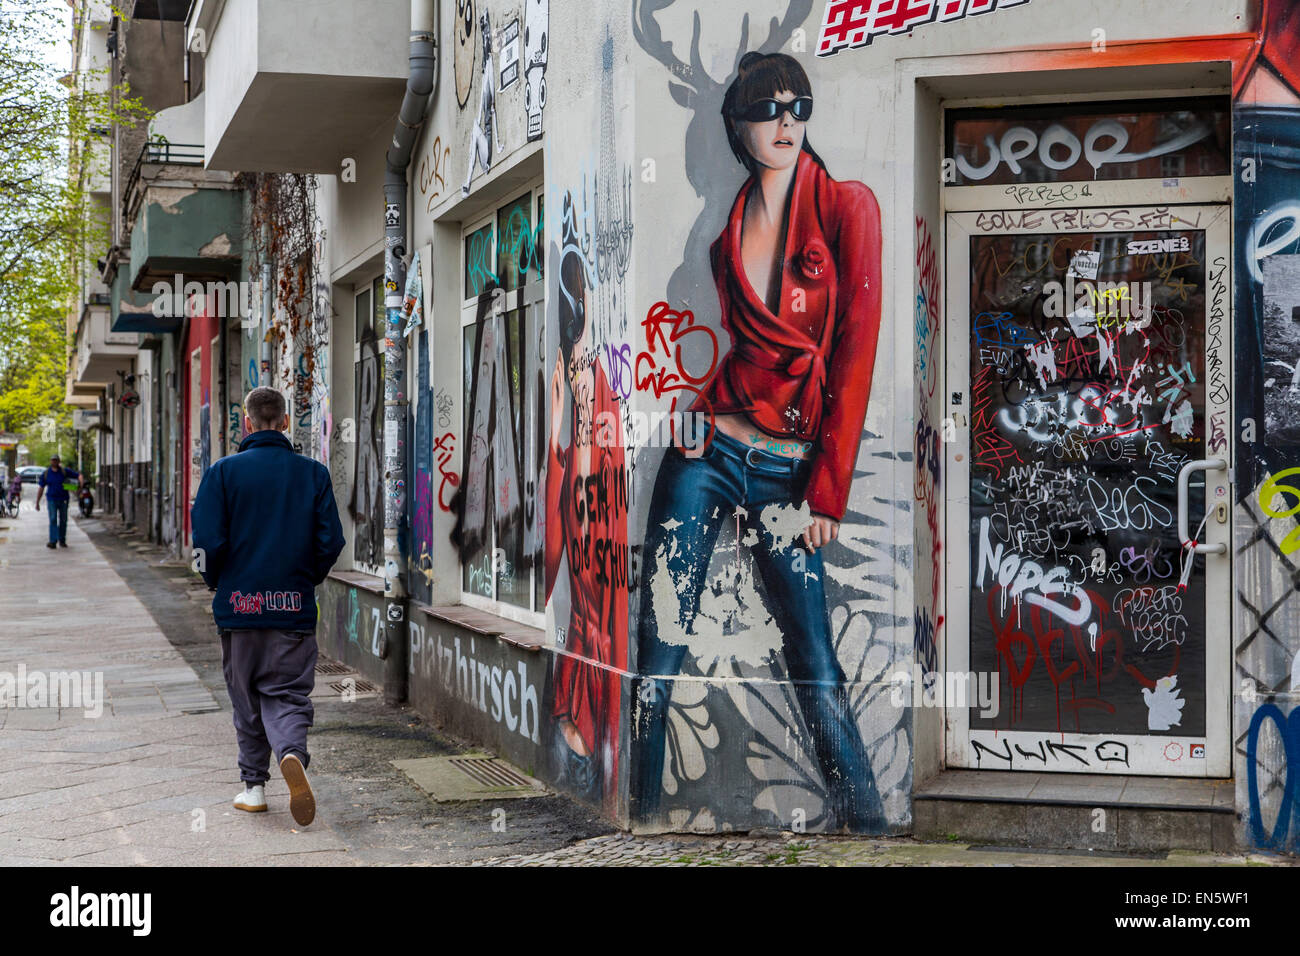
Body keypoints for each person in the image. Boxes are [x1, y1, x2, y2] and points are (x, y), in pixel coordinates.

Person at [633, 52, 886, 829]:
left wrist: (828, 490)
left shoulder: (848, 207)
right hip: (707, 453)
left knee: (813, 655)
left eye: (798, 104)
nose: (785, 120)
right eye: (767, 107)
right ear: (738, 126)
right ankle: (637, 808)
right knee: (660, 645)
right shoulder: (726, 234)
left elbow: (855, 353)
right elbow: (739, 356)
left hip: (788, 469)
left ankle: (866, 824)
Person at [191, 387, 345, 826]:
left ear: (247, 421)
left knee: (246, 700)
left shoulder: (221, 473)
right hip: (292, 608)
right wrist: (304, 579)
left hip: (238, 610)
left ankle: (253, 788)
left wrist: (217, 583)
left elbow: (205, 542)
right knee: (287, 694)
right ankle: (292, 753)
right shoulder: (312, 475)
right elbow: (331, 542)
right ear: (283, 422)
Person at [544, 193, 629, 811]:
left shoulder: (588, 372)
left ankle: (595, 752)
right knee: (592, 627)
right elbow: (567, 457)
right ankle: (595, 752)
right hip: (591, 512)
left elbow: (568, 455)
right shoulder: (587, 372)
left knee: (594, 627)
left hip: (594, 514)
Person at [35, 456, 82, 549]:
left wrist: (81, 484)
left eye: (56, 460)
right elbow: (41, 488)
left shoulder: (65, 471)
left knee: (63, 520)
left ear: (59, 461)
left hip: (64, 499)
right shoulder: (46, 473)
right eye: (53, 460)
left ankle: (62, 540)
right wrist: (37, 502)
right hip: (51, 499)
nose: (54, 462)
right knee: (53, 519)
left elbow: (78, 476)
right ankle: (53, 541)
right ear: (50, 461)